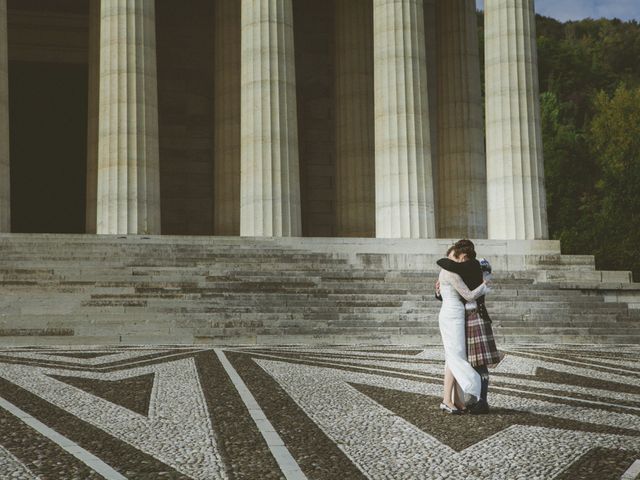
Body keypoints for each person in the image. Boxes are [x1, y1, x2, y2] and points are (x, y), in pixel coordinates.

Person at [437, 239, 502, 414]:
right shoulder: (455, 269)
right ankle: (455, 399)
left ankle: (482, 400)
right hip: (459, 316)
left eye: (455, 259)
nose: (453, 263)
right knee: (459, 356)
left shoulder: (477, 266)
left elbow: (469, 291)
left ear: (464, 256)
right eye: (452, 259)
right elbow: (446, 279)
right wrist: (439, 289)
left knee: (478, 361)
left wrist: (485, 283)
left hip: (475, 316)